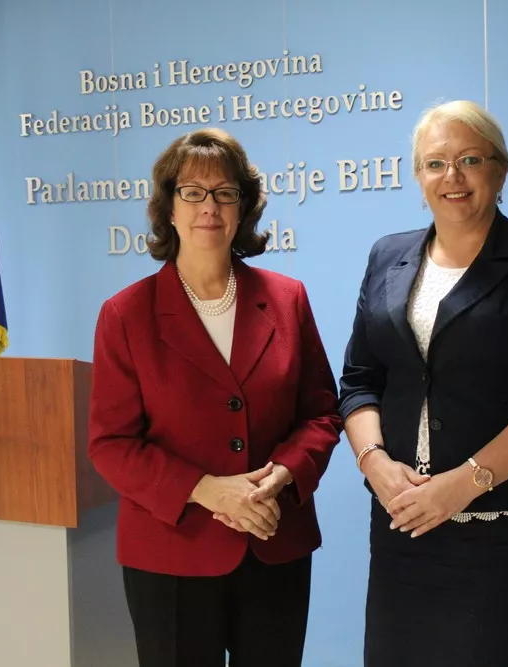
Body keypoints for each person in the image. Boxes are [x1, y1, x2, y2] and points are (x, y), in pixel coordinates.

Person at [338, 100, 508, 667]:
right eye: (435, 163)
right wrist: (374, 464)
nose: (451, 176)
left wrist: (465, 483)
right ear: (418, 176)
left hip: (502, 535)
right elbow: (360, 379)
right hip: (404, 525)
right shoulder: (387, 255)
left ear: (501, 171)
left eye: (470, 159)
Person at [88, 127, 343, 667]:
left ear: (243, 207)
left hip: (275, 540)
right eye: (193, 192)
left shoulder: (287, 299)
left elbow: (322, 413)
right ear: (169, 207)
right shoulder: (125, 314)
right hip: (171, 554)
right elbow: (111, 444)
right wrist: (206, 491)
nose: (210, 207)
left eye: (225, 193)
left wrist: (283, 475)